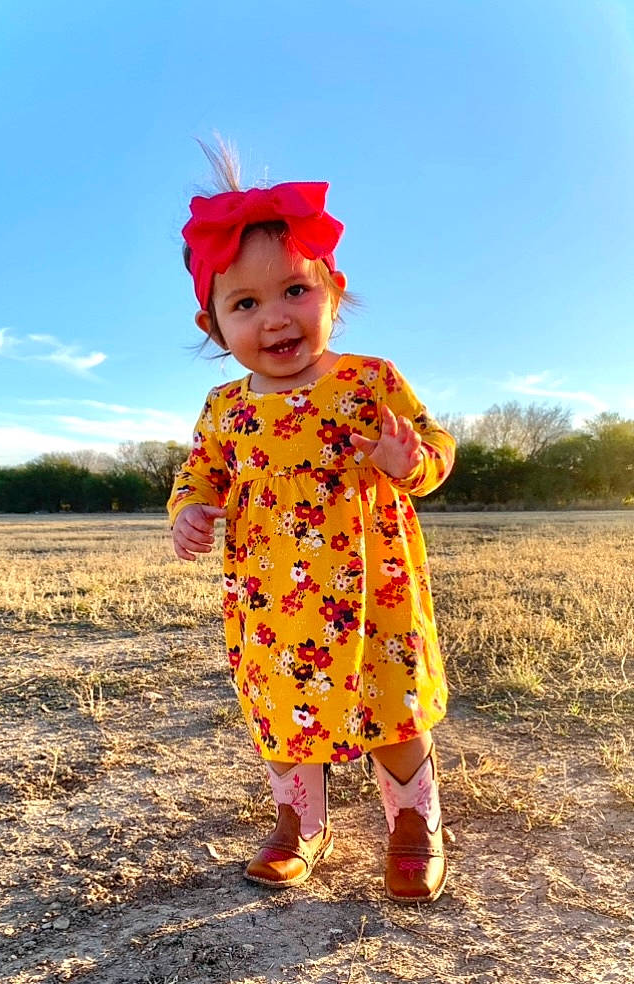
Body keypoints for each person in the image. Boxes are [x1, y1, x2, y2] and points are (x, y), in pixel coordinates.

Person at [168, 147, 456, 903]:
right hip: (273, 597)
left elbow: (437, 450)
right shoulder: (224, 408)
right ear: (214, 320)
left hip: (374, 589)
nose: (276, 318)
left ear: (333, 289)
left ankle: (413, 825)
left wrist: (407, 457)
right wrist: (190, 512)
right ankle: (302, 823)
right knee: (284, 711)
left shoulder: (371, 380)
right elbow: (200, 475)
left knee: (392, 704)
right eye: (246, 304)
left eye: (295, 289)